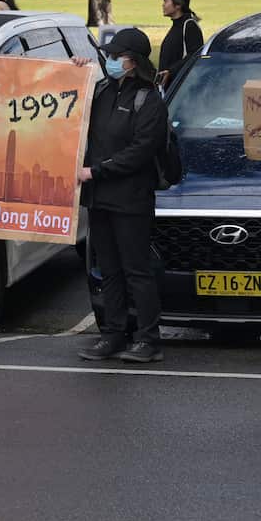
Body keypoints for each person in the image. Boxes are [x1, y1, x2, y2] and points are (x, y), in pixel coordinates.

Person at [73, 28, 169, 363]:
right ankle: (112, 335)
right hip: (99, 199)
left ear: (134, 61)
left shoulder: (149, 99)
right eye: (108, 56)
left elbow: (141, 150)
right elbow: (72, 111)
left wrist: (97, 171)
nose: (111, 61)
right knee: (109, 270)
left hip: (130, 199)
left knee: (137, 270)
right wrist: (76, 72)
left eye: (117, 56)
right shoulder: (101, 90)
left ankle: (148, 339)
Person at [156, 0, 202, 89]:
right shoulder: (176, 26)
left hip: (182, 88)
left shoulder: (189, 25)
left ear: (178, 4)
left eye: (166, 1)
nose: (163, 5)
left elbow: (194, 55)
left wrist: (171, 71)